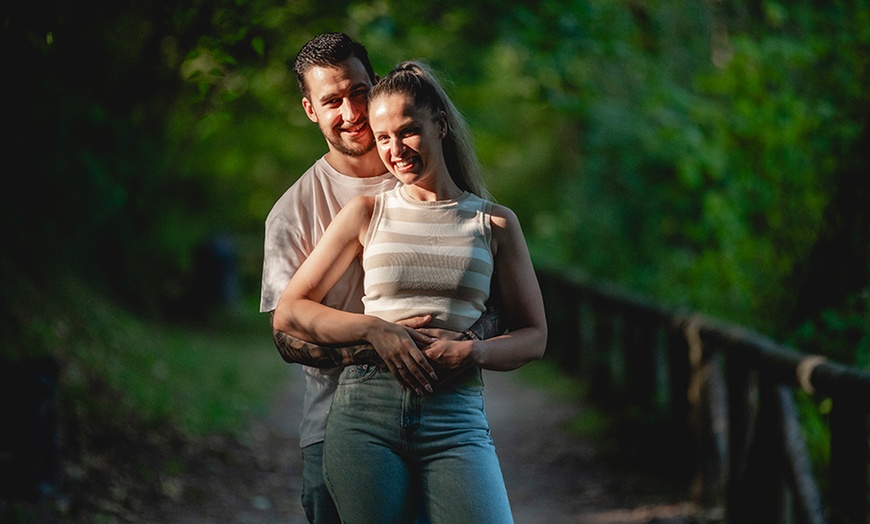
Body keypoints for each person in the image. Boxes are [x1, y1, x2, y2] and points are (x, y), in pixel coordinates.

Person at [273, 61, 548, 524]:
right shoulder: (366, 212)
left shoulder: (495, 222)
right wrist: (375, 330)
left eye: (408, 131)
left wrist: (474, 353)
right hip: (365, 414)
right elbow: (289, 312)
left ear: (439, 125)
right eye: (383, 138)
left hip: (455, 417)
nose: (396, 150)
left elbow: (534, 336)